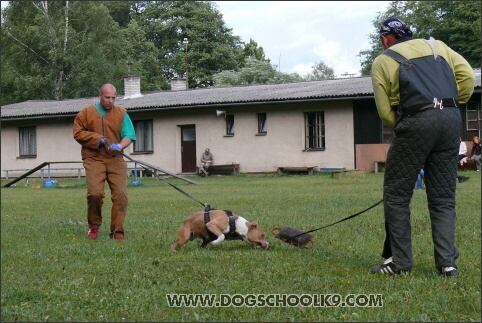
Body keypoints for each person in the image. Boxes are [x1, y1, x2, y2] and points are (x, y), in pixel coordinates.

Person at [370, 18, 475, 277]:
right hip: (451, 120)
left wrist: (407, 123)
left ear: (386, 39)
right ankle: (447, 263)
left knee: (396, 195)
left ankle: (400, 263)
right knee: (442, 197)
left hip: (415, 121)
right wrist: (448, 104)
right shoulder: (439, 47)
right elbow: (468, 78)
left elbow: (385, 112)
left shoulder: (384, 60)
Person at [73, 84, 137, 241]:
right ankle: (94, 228)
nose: (111, 101)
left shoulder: (122, 113)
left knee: (121, 195)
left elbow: (129, 135)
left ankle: (118, 232)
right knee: (95, 194)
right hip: (93, 158)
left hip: (115, 159)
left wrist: (120, 145)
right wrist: (97, 139)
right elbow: (78, 133)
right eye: (107, 97)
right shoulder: (86, 113)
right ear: (100, 96)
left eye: (113, 98)